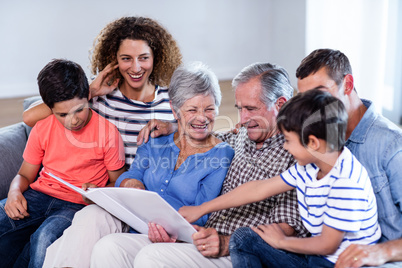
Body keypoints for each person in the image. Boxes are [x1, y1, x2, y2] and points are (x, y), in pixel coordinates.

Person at [112, 62, 308, 267]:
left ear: (281, 104)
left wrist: (225, 242)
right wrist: (173, 124)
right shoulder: (243, 135)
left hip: (238, 251)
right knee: (113, 246)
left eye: (251, 109)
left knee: (152, 256)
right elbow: (205, 136)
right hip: (203, 238)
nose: (243, 119)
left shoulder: (297, 154)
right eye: (239, 109)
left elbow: (284, 230)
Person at [43, 62, 235, 268]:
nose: (202, 117)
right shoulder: (156, 139)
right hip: (134, 221)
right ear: (174, 109)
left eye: (209, 109)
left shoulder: (221, 154)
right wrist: (131, 183)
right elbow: (131, 174)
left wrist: (166, 221)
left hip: (176, 238)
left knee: (109, 246)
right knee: (90, 215)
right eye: (192, 109)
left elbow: (202, 213)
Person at [180, 89, 381, 267]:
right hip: (312, 256)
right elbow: (257, 189)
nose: (284, 147)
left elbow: (328, 245)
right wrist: (201, 209)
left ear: (312, 142)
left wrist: (281, 242)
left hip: (333, 262)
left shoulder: (345, 182)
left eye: (287, 141)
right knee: (243, 237)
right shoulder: (311, 165)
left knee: (247, 240)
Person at [0, 59, 126, 268]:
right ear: (50, 109)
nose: (73, 120)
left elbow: (119, 182)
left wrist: (99, 192)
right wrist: (14, 193)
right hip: (39, 195)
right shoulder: (43, 127)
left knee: (43, 240)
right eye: (62, 114)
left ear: (88, 98)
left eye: (79, 110)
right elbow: (24, 175)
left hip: (76, 204)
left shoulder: (108, 133)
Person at [23, 16, 182, 168]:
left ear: (156, 57)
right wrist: (90, 91)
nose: (136, 68)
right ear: (115, 58)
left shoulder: (171, 97)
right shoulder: (97, 93)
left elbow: (200, 132)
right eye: (126, 58)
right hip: (109, 186)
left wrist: (172, 127)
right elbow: (29, 117)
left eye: (143, 58)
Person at [296, 48, 402, 268]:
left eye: (320, 93)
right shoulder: (316, 139)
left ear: (348, 84)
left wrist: (383, 251)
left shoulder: (392, 145)